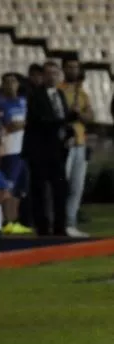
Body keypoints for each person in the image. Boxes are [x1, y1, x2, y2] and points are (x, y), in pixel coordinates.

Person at [23, 60, 71, 236]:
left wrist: (69, 135)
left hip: (58, 151)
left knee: (60, 189)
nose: (52, 76)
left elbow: (64, 121)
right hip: (39, 151)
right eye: (49, 73)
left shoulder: (60, 94)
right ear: (43, 75)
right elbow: (39, 120)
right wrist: (61, 124)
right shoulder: (35, 96)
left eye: (55, 73)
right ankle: (42, 229)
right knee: (40, 190)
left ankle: (60, 227)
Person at [59, 58, 93, 237]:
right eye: (69, 67)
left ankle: (71, 223)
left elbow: (90, 116)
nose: (73, 70)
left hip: (80, 142)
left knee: (76, 187)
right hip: (64, 143)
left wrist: (81, 114)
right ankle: (60, 223)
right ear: (63, 69)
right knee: (63, 185)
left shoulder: (82, 94)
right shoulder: (59, 90)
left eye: (76, 67)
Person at [0, 73, 33, 234]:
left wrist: (21, 124)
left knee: (19, 189)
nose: (11, 85)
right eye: (7, 82)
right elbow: (8, 126)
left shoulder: (24, 102)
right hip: (9, 150)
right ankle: (5, 222)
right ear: (2, 85)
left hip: (24, 150)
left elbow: (21, 123)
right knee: (8, 188)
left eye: (13, 82)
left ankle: (14, 221)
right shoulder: (1, 104)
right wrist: (24, 123)